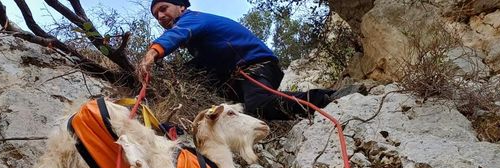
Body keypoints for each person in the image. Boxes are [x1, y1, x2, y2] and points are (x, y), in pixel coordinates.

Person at [137, 0, 361, 121]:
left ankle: (327, 97)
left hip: (256, 66)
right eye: (156, 15)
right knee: (191, 75)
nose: (160, 16)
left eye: (163, 8)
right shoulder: (198, 41)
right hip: (235, 79)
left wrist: (152, 54)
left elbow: (175, 35)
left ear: (181, 6)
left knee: (258, 106)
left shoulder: (191, 19)